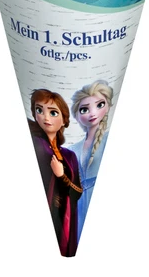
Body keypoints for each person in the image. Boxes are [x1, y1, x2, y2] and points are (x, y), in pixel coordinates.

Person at [29, 89, 83, 257]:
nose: (45, 117)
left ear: (64, 120)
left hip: (65, 216)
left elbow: (77, 192)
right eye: (39, 110)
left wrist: (61, 176)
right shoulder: (37, 144)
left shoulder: (69, 156)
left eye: (53, 113)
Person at [70, 80, 114, 241]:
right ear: (77, 115)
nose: (92, 113)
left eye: (99, 105)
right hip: (78, 204)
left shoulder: (108, 139)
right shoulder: (73, 149)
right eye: (84, 109)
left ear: (108, 106)